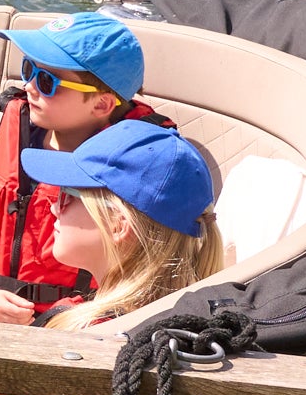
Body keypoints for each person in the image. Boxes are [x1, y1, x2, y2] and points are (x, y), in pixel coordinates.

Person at [0, 12, 177, 324]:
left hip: (78, 318)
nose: (29, 87)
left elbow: (149, 273)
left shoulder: (133, 164)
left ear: (101, 104)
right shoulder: (9, 135)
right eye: (28, 69)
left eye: (47, 81)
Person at [21, 119, 228, 333]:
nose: (53, 208)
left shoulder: (80, 331)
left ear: (118, 224)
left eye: (65, 196)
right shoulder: (190, 324)